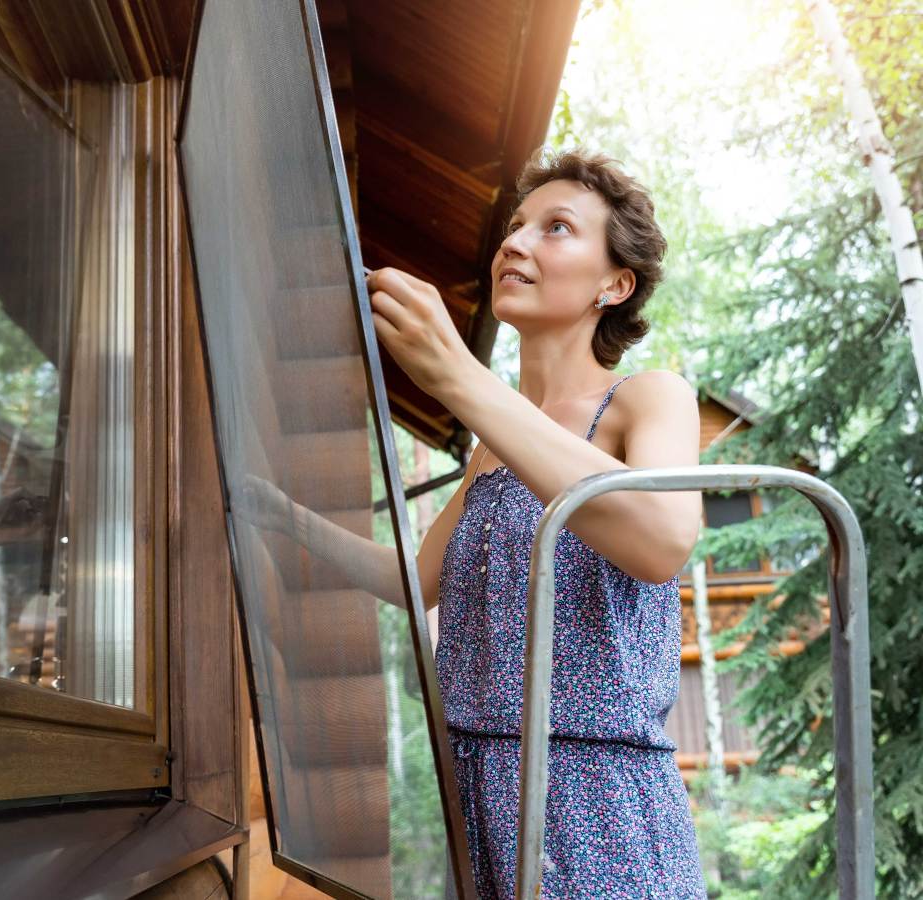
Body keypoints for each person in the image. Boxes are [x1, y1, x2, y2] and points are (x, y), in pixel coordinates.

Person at [239, 149, 708, 898]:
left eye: (556, 228)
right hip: (476, 787)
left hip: (597, 796)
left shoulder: (647, 399)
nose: (515, 243)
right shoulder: (493, 443)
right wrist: (281, 515)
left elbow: (661, 539)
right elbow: (412, 581)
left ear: (614, 284)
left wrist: (456, 375)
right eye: (515, 227)